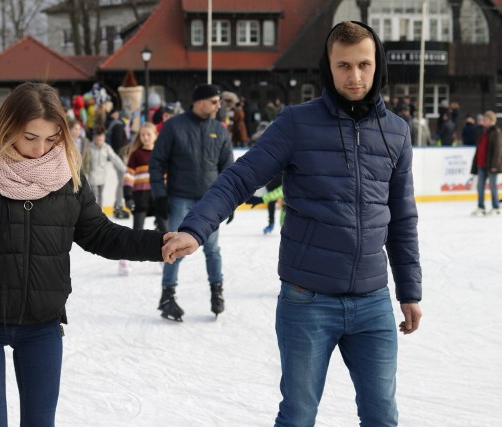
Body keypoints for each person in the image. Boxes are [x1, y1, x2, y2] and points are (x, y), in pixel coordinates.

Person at [162, 21, 422, 426]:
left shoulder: (396, 132)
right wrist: (197, 227)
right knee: (298, 415)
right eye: (343, 66)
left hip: (373, 303)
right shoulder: (297, 123)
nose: (354, 76)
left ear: (378, 66)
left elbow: (402, 218)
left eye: (364, 65)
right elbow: (239, 177)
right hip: (308, 301)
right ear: (328, 68)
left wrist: (409, 290)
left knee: (383, 417)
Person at [0, 82, 173, 427]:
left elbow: (100, 234)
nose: (40, 149)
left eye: (50, 139)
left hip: (42, 328)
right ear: (8, 126)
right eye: (30, 137)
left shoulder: (67, 177)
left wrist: (158, 243)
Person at [149, 83, 234, 321]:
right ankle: (167, 296)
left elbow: (228, 169)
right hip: (179, 198)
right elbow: (156, 163)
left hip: (211, 202)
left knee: (212, 249)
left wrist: (229, 201)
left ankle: (217, 292)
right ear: (199, 102)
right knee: (174, 248)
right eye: (214, 101)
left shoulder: (219, 129)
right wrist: (160, 196)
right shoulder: (174, 127)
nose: (219, 106)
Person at [118, 122, 167, 275]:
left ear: (155, 136)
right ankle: (124, 258)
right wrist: (127, 196)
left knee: (164, 230)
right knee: (137, 231)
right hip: (140, 198)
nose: (145, 137)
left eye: (148, 134)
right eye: (142, 135)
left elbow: (166, 177)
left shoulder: (161, 154)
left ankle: (164, 259)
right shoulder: (136, 155)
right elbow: (128, 176)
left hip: (158, 199)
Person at [470, 110, 502, 216]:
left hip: (491, 165)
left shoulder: (496, 132)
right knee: (480, 187)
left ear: (491, 120)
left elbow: (498, 150)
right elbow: (479, 148)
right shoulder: (484, 131)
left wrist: (494, 165)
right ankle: (481, 207)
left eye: (485, 119)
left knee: (493, 187)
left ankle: (496, 207)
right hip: (481, 164)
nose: (483, 121)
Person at [86, 126, 126, 207]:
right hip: (92, 176)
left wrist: (124, 169)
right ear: (94, 138)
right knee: (94, 196)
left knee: (100, 196)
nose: (99, 142)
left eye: (100, 140)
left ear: (104, 138)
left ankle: (99, 213)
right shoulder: (89, 148)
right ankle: (94, 214)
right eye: (97, 140)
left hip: (102, 176)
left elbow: (115, 158)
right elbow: (84, 162)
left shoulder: (106, 148)